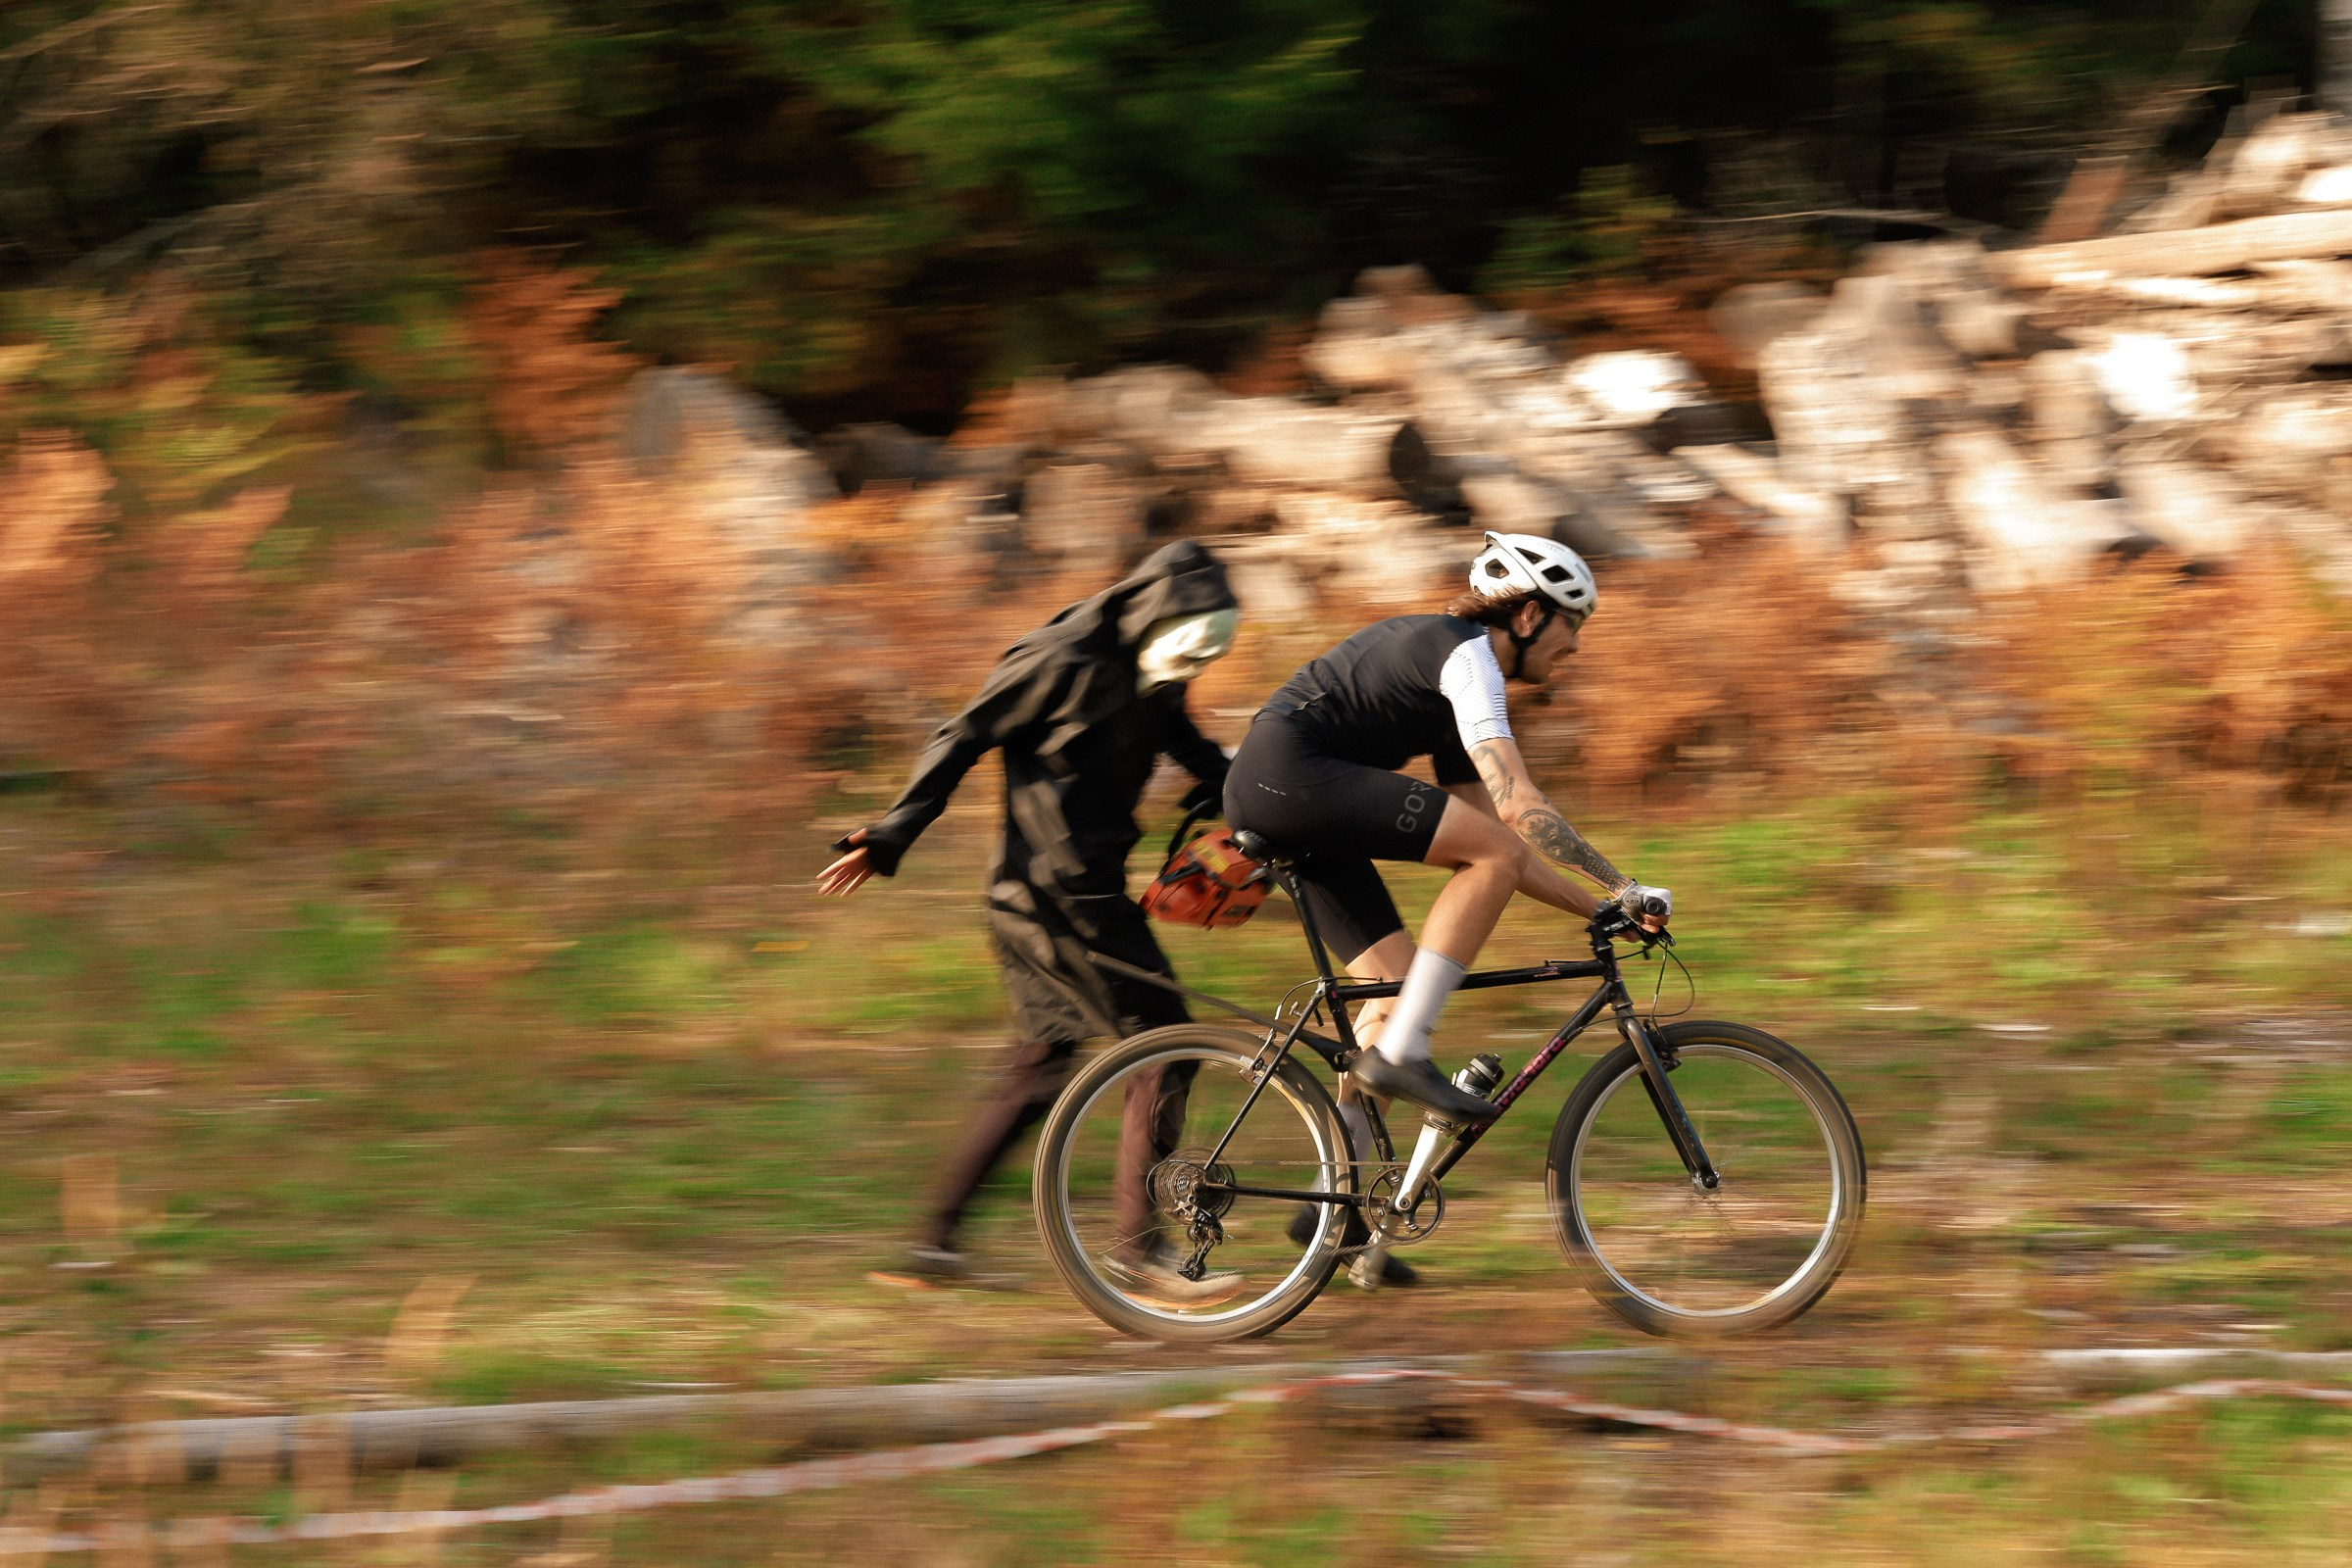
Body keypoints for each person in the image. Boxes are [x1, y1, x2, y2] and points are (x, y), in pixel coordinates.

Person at [817, 541, 1244, 1299]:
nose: (1193, 667)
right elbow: (961, 735)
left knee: (1040, 1068)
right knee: (1166, 1049)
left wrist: (1249, 798)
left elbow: (1186, 742)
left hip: (1068, 895)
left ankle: (930, 1247)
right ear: (1154, 616)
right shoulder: (1059, 657)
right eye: (1190, 651)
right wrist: (890, 835)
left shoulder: (1159, 668)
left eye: (1206, 656)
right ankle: (1138, 1256)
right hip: (1054, 899)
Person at [1224, 531, 1670, 1133]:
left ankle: (1339, 1184)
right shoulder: (1466, 655)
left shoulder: (1450, 677)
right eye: (1573, 622)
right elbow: (1519, 808)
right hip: (1287, 776)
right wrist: (1625, 886)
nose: (1576, 644)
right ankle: (1406, 1052)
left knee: (1395, 991)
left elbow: (1499, 845)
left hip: (1279, 789)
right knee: (1482, 872)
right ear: (1530, 615)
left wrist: (1598, 909)